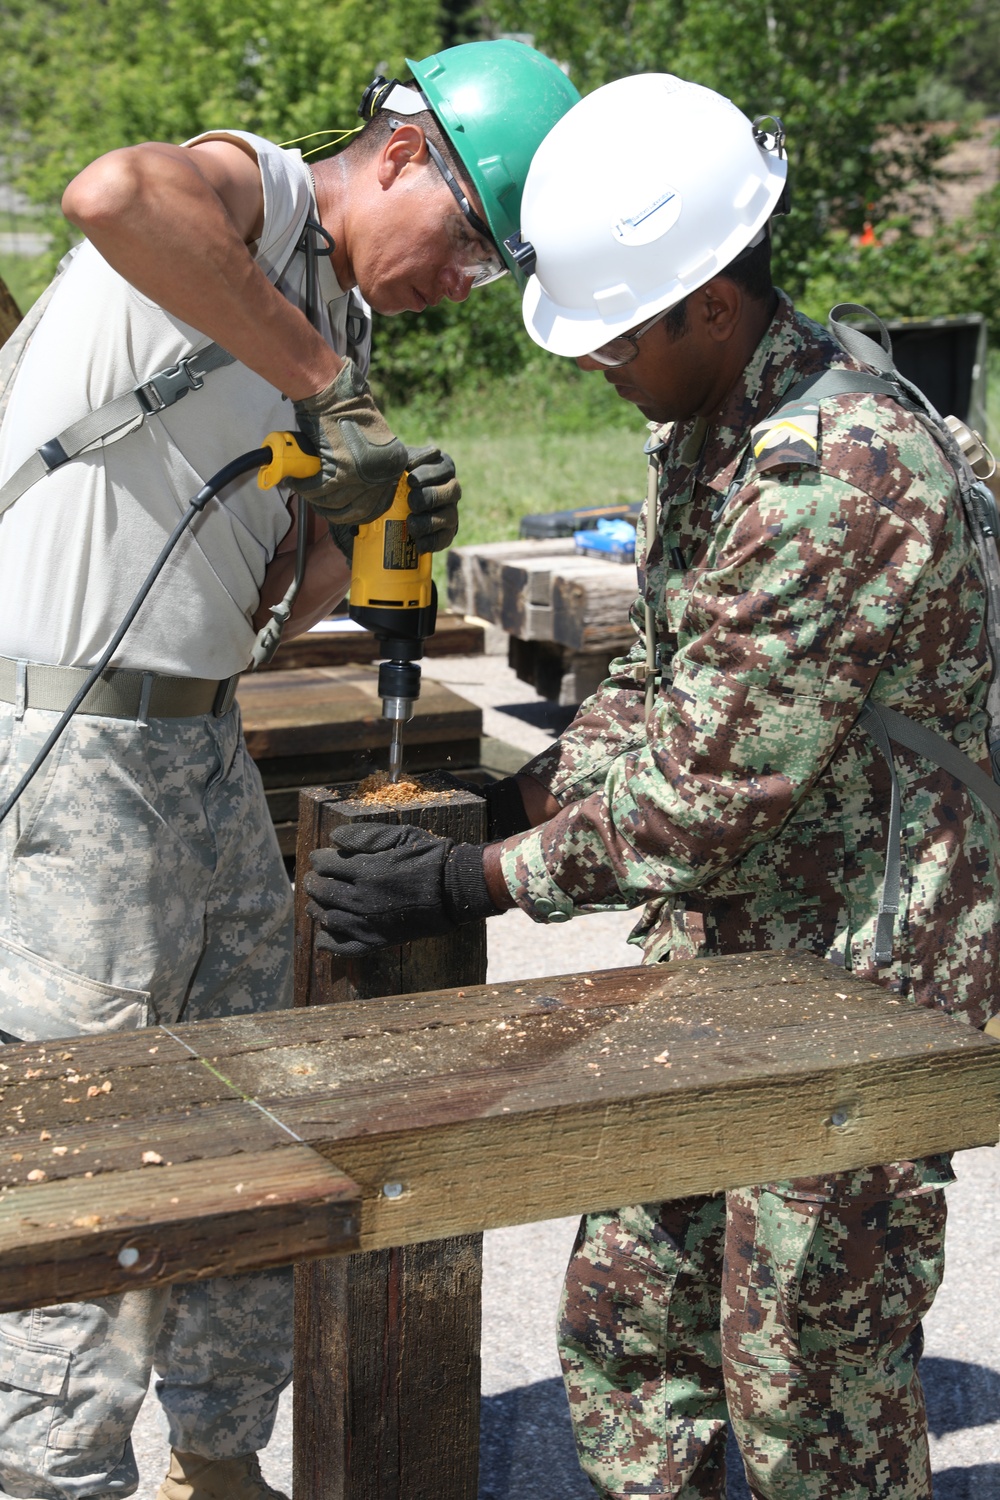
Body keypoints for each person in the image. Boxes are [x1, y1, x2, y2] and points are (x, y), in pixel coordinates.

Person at [303, 74, 1000, 1499]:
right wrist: (531, 791)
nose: (591, 361)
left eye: (615, 333)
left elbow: (705, 791)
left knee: (807, 1393)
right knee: (631, 1327)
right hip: (724, 961)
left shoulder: (835, 477)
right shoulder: (714, 433)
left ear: (712, 304)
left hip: (861, 996)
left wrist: (477, 878)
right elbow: (658, 670)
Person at [0, 39, 579, 1500]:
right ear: (398, 154)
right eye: (467, 239)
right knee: (104, 1127)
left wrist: (360, 522)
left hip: (195, 732)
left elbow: (272, 604)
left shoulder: (337, 338)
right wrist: (329, 396)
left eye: (493, 269)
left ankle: (217, 1452)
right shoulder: (252, 196)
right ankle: (54, 1472)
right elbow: (112, 189)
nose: (466, 280)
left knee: (253, 1104)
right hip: (67, 738)